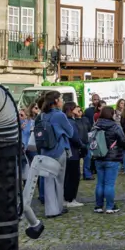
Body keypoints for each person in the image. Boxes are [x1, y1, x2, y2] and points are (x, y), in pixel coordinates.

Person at [24, 91, 74, 220]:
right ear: (56, 101)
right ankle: (58, 207)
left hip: (45, 150)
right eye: (61, 98)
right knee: (59, 180)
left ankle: (50, 210)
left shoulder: (42, 115)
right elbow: (70, 132)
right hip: (58, 150)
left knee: (48, 180)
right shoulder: (59, 115)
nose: (62, 101)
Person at [90, 107, 125, 214]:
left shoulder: (95, 125)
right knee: (109, 184)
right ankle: (110, 206)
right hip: (112, 158)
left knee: (100, 183)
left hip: (98, 157)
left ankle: (98, 206)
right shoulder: (115, 126)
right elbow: (123, 140)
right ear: (111, 114)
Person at [63, 102, 87, 208]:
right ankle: (70, 198)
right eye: (75, 108)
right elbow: (75, 137)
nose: (78, 109)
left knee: (69, 176)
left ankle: (67, 198)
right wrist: (82, 145)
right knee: (73, 176)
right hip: (73, 152)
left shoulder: (66, 120)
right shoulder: (70, 122)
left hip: (68, 152)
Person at [83, 96, 102, 180]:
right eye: (95, 99)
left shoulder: (102, 110)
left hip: (100, 133)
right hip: (90, 133)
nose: (96, 101)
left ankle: (96, 169)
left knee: (98, 151)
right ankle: (90, 169)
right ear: (92, 100)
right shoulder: (88, 111)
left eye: (98, 99)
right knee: (90, 153)